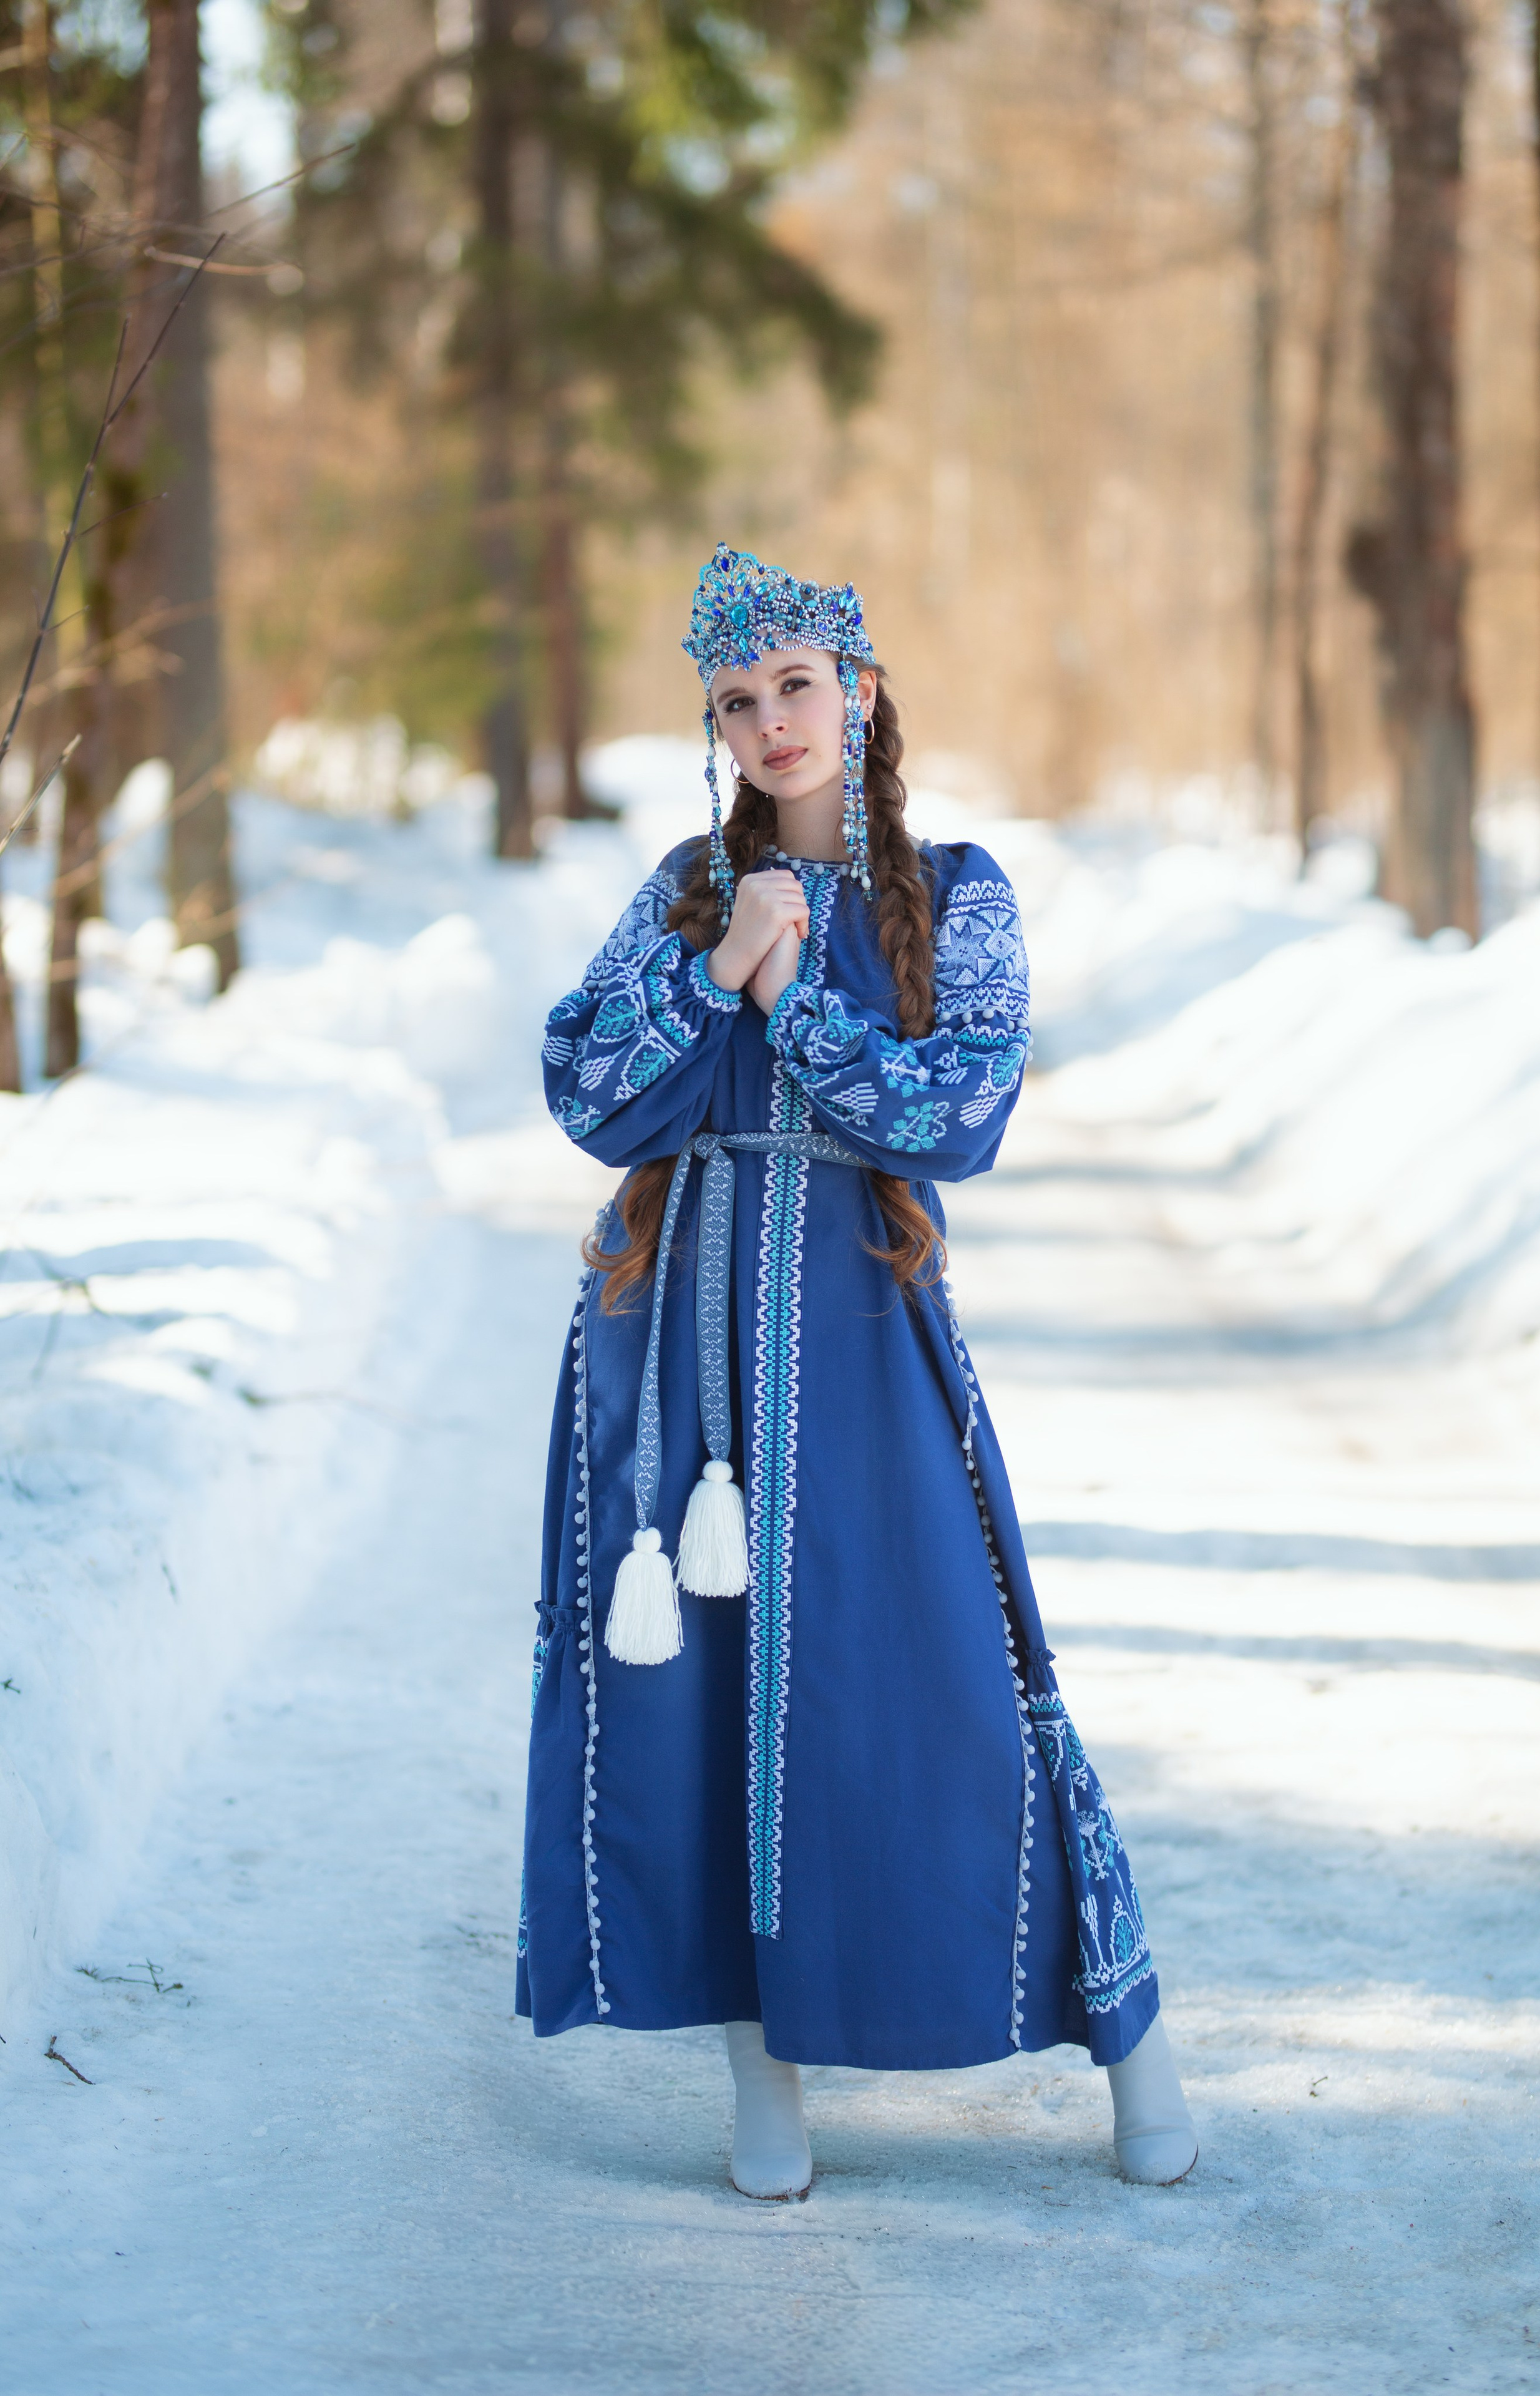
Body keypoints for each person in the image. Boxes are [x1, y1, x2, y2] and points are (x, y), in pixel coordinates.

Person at [515, 543, 1197, 2195]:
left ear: (863, 692)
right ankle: (767, 2086)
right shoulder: (684, 889)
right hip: (674, 1357)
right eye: (735, 703)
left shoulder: (962, 894)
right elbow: (588, 1093)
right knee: (708, 1709)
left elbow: (957, 1116)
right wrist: (707, 968)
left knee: (949, 1694)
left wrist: (799, 996)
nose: (770, 724)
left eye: (798, 687)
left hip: (869, 1356)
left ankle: (1132, 2046)